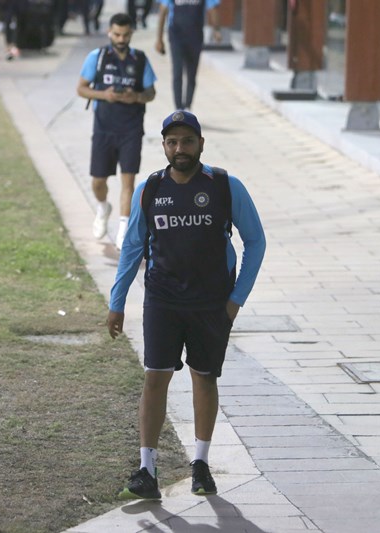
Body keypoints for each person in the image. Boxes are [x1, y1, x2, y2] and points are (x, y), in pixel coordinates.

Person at [107, 110, 266, 499]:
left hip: (211, 303)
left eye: (187, 141)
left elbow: (256, 242)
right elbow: (131, 248)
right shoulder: (150, 188)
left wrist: (235, 302)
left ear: (200, 144)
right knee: (155, 378)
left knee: (203, 377)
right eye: (172, 142)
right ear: (163, 146)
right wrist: (117, 301)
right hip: (162, 299)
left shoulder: (225, 186)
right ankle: (147, 470)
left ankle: (201, 464)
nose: (180, 148)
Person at [77, 13, 157, 250]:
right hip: (104, 127)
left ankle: (123, 230)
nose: (121, 39)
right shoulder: (98, 57)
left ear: (131, 33)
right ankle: (103, 207)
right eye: (117, 34)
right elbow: (81, 89)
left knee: (128, 180)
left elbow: (151, 93)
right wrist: (105, 95)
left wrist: (137, 96)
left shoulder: (140, 59)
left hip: (132, 128)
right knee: (98, 180)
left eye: (125, 34)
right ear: (109, 32)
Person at [155, 0, 222, 111]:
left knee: (192, 74)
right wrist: (159, 39)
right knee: (177, 72)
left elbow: (213, 9)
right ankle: (178, 108)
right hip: (176, 36)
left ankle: (188, 106)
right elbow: (162, 11)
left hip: (195, 36)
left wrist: (216, 30)